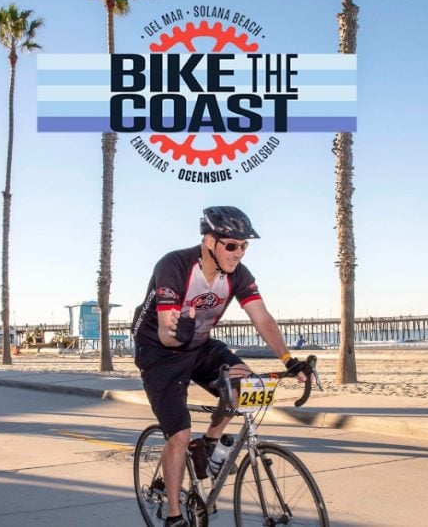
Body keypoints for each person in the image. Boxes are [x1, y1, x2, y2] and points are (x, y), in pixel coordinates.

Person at [132, 206, 309, 527]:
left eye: (244, 246)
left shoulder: (238, 275)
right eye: (231, 245)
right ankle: (174, 515)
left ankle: (211, 441)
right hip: (160, 353)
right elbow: (164, 333)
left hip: (199, 346)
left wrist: (288, 359)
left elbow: (262, 317)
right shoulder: (174, 266)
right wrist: (179, 332)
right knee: (180, 433)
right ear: (209, 241)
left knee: (248, 385)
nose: (239, 252)